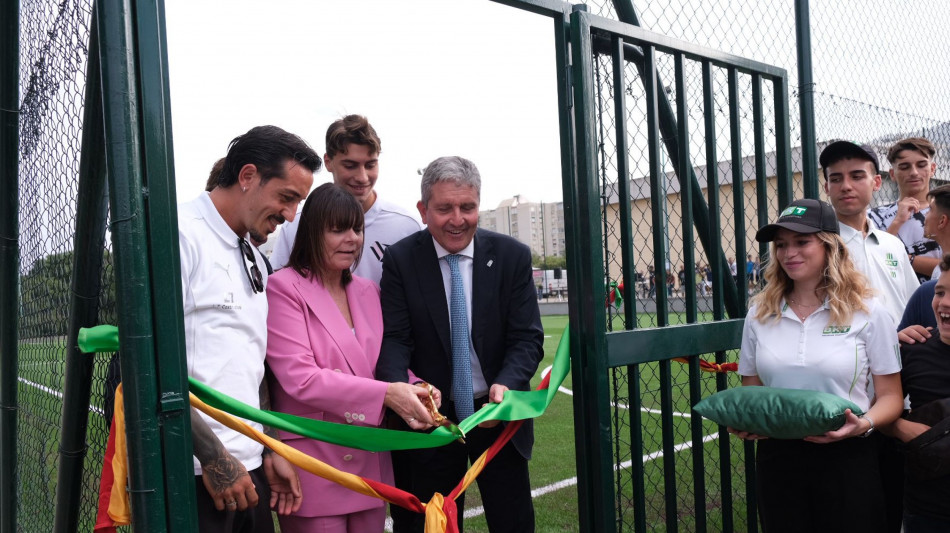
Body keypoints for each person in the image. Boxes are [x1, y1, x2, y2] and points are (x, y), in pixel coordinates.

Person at [375, 156, 544, 533]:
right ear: (423, 210)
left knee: (513, 523)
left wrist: (509, 383)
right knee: (430, 526)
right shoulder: (401, 260)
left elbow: (526, 337)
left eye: (467, 207)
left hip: (497, 417)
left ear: (478, 205)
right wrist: (406, 387)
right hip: (432, 421)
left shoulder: (511, 257)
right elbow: (395, 339)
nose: (457, 219)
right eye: (444, 208)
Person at [264, 183, 438, 532]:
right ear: (312, 232)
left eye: (356, 229)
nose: (352, 239)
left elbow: (383, 363)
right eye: (337, 229)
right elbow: (301, 378)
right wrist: (387, 395)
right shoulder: (283, 287)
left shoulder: (368, 290)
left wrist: (416, 386)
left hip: (368, 460)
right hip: (314, 462)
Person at [731, 198, 904, 533]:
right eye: (781, 244)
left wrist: (863, 424)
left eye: (801, 241)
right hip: (778, 458)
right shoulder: (759, 314)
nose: (788, 252)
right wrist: (746, 422)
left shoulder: (868, 312)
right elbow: (752, 390)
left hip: (848, 456)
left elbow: (891, 397)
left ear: (829, 245)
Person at [178, 125, 321, 531]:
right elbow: (145, 367)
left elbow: (250, 361)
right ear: (247, 177)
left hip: (248, 469)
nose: (291, 214)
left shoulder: (254, 256)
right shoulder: (180, 234)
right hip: (195, 473)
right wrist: (213, 457)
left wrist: (268, 445)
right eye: (286, 197)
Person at [270, 115, 421, 285]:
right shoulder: (297, 224)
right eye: (350, 166)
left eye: (370, 165)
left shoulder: (407, 226)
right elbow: (280, 286)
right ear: (328, 162)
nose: (362, 177)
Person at [820, 139, 919, 325]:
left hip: (903, 351)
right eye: (835, 179)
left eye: (857, 176)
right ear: (827, 188)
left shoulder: (893, 244)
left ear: (877, 182)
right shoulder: (819, 246)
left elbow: (913, 301)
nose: (846, 186)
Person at [884, 254, 950, 531]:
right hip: (928, 510)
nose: (944, 303)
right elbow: (877, 409)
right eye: (940, 292)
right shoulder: (914, 349)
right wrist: (902, 428)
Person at [869, 137, 941, 283]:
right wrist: (897, 222)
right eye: (904, 167)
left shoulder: (945, 212)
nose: (914, 172)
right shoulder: (874, 217)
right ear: (892, 174)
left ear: (932, 169)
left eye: (921, 165)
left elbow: (946, 268)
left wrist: (905, 258)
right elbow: (872, 262)